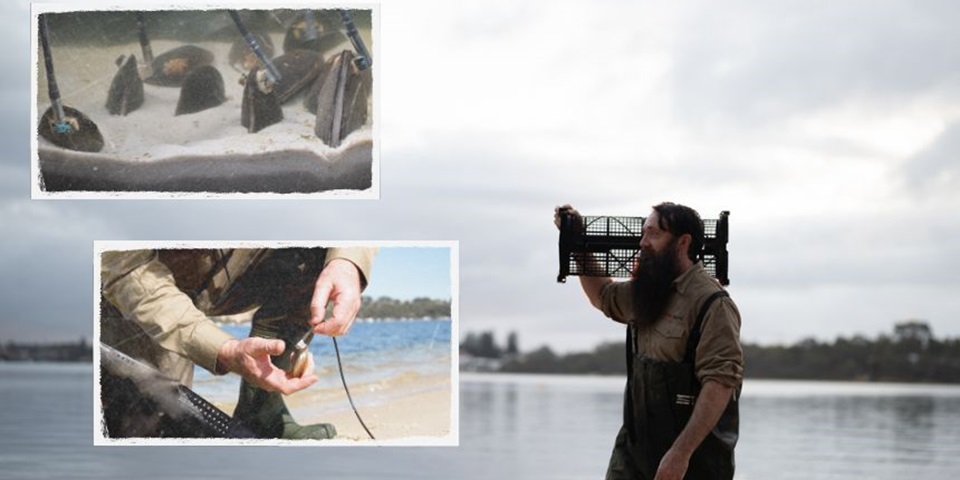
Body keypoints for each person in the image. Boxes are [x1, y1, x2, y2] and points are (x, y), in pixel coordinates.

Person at [100, 246, 376, 439]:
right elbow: (127, 272)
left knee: (326, 252)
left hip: (231, 268)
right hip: (131, 294)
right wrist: (225, 350)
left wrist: (347, 262)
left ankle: (262, 415)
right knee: (154, 428)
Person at [554, 202, 742, 480]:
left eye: (653, 234)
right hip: (634, 450)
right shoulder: (647, 291)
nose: (643, 243)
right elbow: (603, 295)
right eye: (643, 233)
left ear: (683, 242)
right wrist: (576, 238)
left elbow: (720, 383)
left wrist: (680, 454)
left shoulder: (712, 303)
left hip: (695, 461)